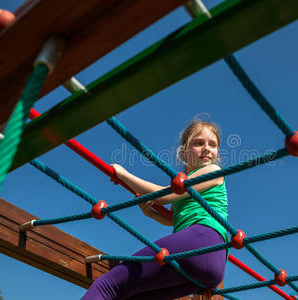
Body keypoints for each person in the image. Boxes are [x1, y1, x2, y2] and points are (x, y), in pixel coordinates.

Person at [82, 119, 228, 300]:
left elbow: (163, 196)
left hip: (202, 240)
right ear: (184, 152)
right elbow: (177, 219)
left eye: (212, 145)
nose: (206, 148)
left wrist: (124, 175)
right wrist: (151, 213)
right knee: (132, 296)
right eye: (199, 143)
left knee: (108, 285)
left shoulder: (213, 170)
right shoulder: (188, 184)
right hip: (212, 266)